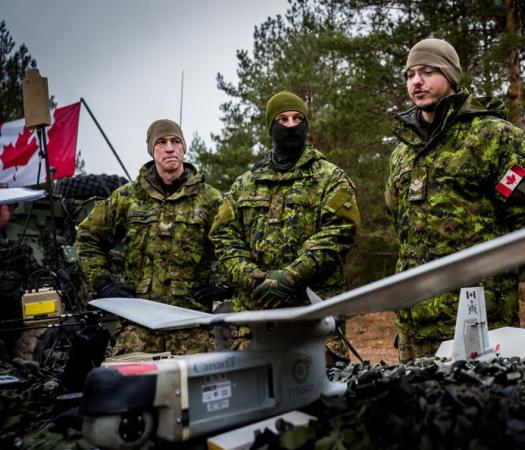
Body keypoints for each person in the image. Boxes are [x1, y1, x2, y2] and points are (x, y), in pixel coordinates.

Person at [385, 38, 525, 363]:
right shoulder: (402, 154)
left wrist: (492, 276)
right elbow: (398, 218)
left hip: (477, 322)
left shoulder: (493, 138)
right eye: (410, 75)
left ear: (450, 76)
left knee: (475, 411)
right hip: (413, 324)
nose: (416, 81)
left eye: (427, 72)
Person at [209, 91, 360, 362]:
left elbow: (339, 232)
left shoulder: (330, 177)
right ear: (271, 126)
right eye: (282, 119)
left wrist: (289, 277)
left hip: (314, 322)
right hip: (255, 323)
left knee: (321, 402)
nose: (290, 125)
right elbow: (224, 237)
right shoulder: (245, 183)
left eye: (297, 118)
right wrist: (255, 278)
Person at [76, 119, 225, 355]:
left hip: (192, 326)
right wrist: (103, 283)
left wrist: (223, 286)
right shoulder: (127, 197)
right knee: (135, 390)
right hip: (139, 327)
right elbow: (87, 239)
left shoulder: (210, 199)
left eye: (176, 142)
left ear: (183, 148)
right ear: (151, 150)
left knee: (195, 389)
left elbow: (234, 244)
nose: (169, 148)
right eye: (161, 142)